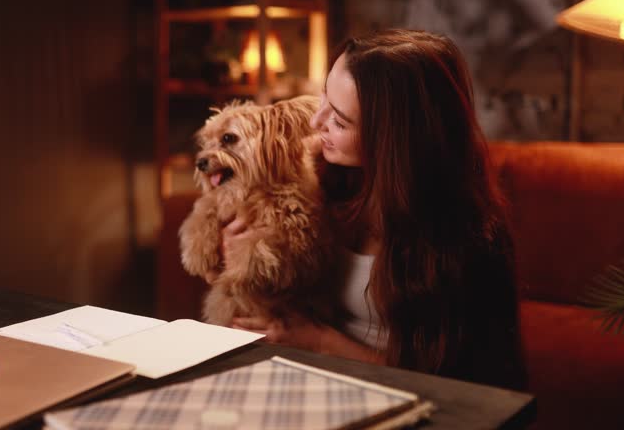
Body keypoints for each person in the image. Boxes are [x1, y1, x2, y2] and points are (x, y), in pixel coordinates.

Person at [222, 29, 526, 390]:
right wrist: (239, 248)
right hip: (307, 378)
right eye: (324, 98)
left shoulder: (463, 242)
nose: (317, 123)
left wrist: (320, 341)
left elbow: (452, 386)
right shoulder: (322, 182)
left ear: (393, 137)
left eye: (339, 119)